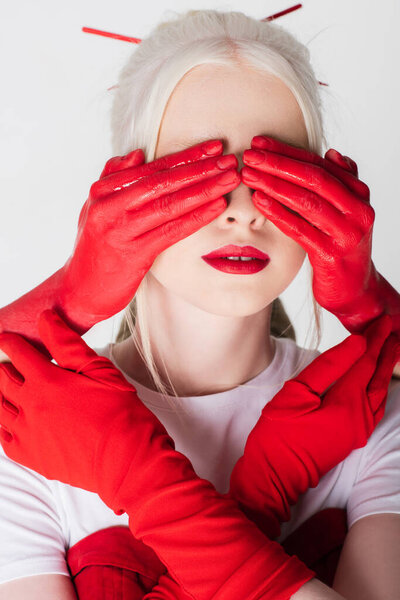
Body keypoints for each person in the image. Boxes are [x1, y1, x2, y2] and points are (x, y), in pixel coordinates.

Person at [0, 8, 399, 599]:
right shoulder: (34, 429)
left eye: (279, 171)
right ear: (118, 188)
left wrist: (372, 300)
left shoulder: (373, 415)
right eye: (198, 173)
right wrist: (69, 294)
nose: (244, 210)